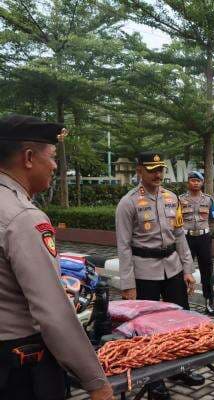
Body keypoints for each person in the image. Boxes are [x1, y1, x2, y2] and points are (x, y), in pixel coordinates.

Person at [0, 115, 113, 400]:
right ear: (28, 157)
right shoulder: (23, 218)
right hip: (21, 368)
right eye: (51, 157)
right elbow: (52, 313)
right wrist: (95, 382)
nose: (54, 166)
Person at [116, 151, 204, 399]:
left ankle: (180, 369)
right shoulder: (128, 203)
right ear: (139, 171)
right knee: (147, 328)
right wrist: (128, 284)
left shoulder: (171, 198)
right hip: (145, 272)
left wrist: (188, 269)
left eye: (160, 169)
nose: (157, 174)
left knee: (179, 322)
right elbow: (123, 246)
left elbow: (179, 236)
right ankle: (154, 381)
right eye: (152, 169)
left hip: (173, 268)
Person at [179, 171, 214, 316]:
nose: (195, 183)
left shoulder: (209, 200)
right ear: (188, 182)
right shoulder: (180, 200)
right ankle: (182, 304)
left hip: (203, 239)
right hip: (185, 239)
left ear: (202, 183)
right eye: (192, 180)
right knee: (183, 270)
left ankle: (209, 303)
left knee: (207, 271)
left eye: (198, 180)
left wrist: (208, 232)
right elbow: (175, 220)